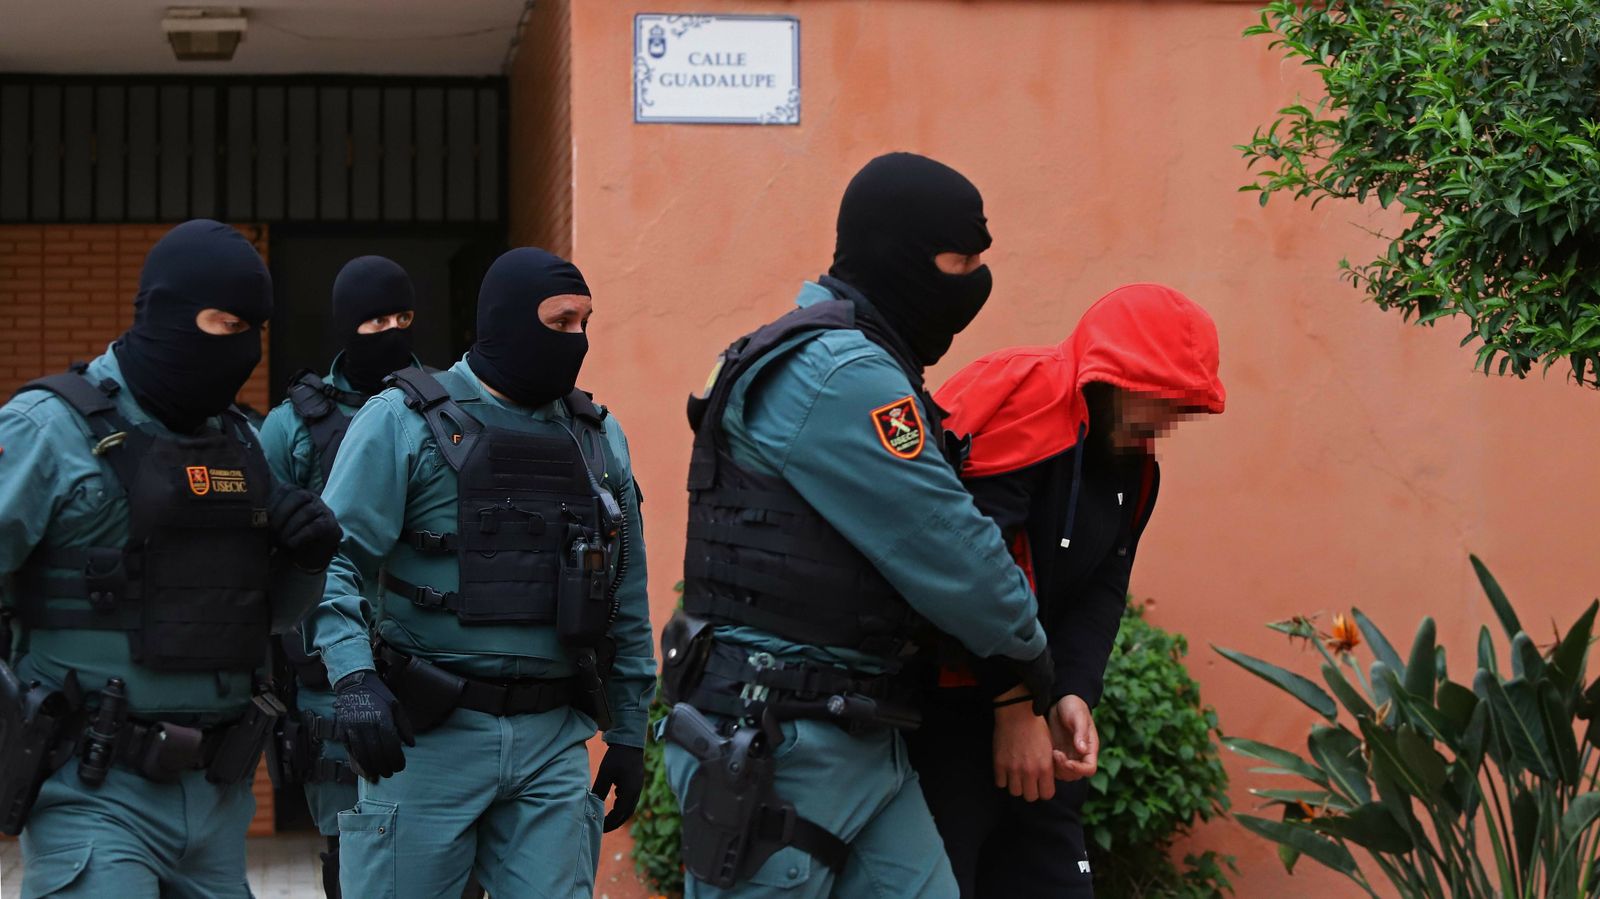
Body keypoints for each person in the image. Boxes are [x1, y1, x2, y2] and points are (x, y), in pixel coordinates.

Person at [658, 152, 1055, 899]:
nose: (973, 281)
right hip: (778, 745)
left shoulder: (851, 360)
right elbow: (952, 549)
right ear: (896, 255)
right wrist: (1030, 660)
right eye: (958, 259)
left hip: (858, 737)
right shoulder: (840, 374)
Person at [0, 219, 342, 897]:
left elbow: (267, 616)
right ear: (162, 312)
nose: (239, 345)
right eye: (220, 322)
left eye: (253, 328)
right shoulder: (49, 428)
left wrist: (305, 558)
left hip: (218, 798)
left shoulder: (242, 441)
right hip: (92, 789)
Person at [303, 247, 655, 898]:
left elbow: (625, 595)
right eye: (560, 321)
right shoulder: (402, 422)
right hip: (428, 737)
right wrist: (351, 676)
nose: (577, 338)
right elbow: (331, 559)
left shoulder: (596, 438)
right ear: (507, 319)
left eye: (586, 321)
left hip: (552, 740)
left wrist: (630, 731)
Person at [907, 283, 1226, 898]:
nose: (1169, 421)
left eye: (1183, 407)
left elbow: (1104, 588)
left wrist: (1073, 692)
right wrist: (1015, 702)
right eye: (1161, 400)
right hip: (941, 711)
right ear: (1114, 378)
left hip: (1031, 710)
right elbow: (972, 565)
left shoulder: (1135, 469)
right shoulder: (1029, 402)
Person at [258, 255, 426, 899]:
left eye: (403, 317)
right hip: (329, 677)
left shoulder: (450, 410)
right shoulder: (292, 427)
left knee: (440, 843)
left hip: (430, 659)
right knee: (350, 849)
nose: (390, 331)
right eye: (374, 319)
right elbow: (265, 553)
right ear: (345, 325)